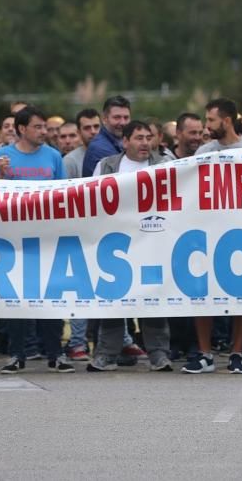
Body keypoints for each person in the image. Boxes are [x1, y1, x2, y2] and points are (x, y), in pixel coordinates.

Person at [0, 106, 73, 374]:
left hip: (47, 237)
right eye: (38, 127)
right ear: (22, 129)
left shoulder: (53, 156)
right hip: (14, 239)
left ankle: (55, 353)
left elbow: (64, 194)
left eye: (45, 127)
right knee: (17, 300)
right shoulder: (2, 157)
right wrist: (1, 176)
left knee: (50, 298)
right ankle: (17, 353)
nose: (44, 132)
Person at [86, 121, 174, 372]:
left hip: (151, 242)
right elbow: (92, 201)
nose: (145, 142)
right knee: (114, 300)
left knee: (153, 299)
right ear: (125, 142)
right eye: (139, 137)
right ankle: (106, 354)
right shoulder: (106, 166)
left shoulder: (165, 166)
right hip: (115, 244)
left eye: (149, 137)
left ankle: (158, 354)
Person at [183, 99, 242, 374]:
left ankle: (237, 352)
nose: (207, 126)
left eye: (211, 121)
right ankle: (205, 354)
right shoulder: (204, 151)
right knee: (203, 292)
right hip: (208, 232)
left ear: (226, 121)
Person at [82, 96, 131, 177]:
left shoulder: (122, 140)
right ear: (104, 119)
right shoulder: (99, 148)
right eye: (117, 117)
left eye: (126, 118)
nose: (123, 122)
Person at [63, 109, 100, 179]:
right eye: (87, 128)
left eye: (96, 126)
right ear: (79, 132)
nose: (93, 131)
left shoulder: (112, 153)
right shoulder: (70, 161)